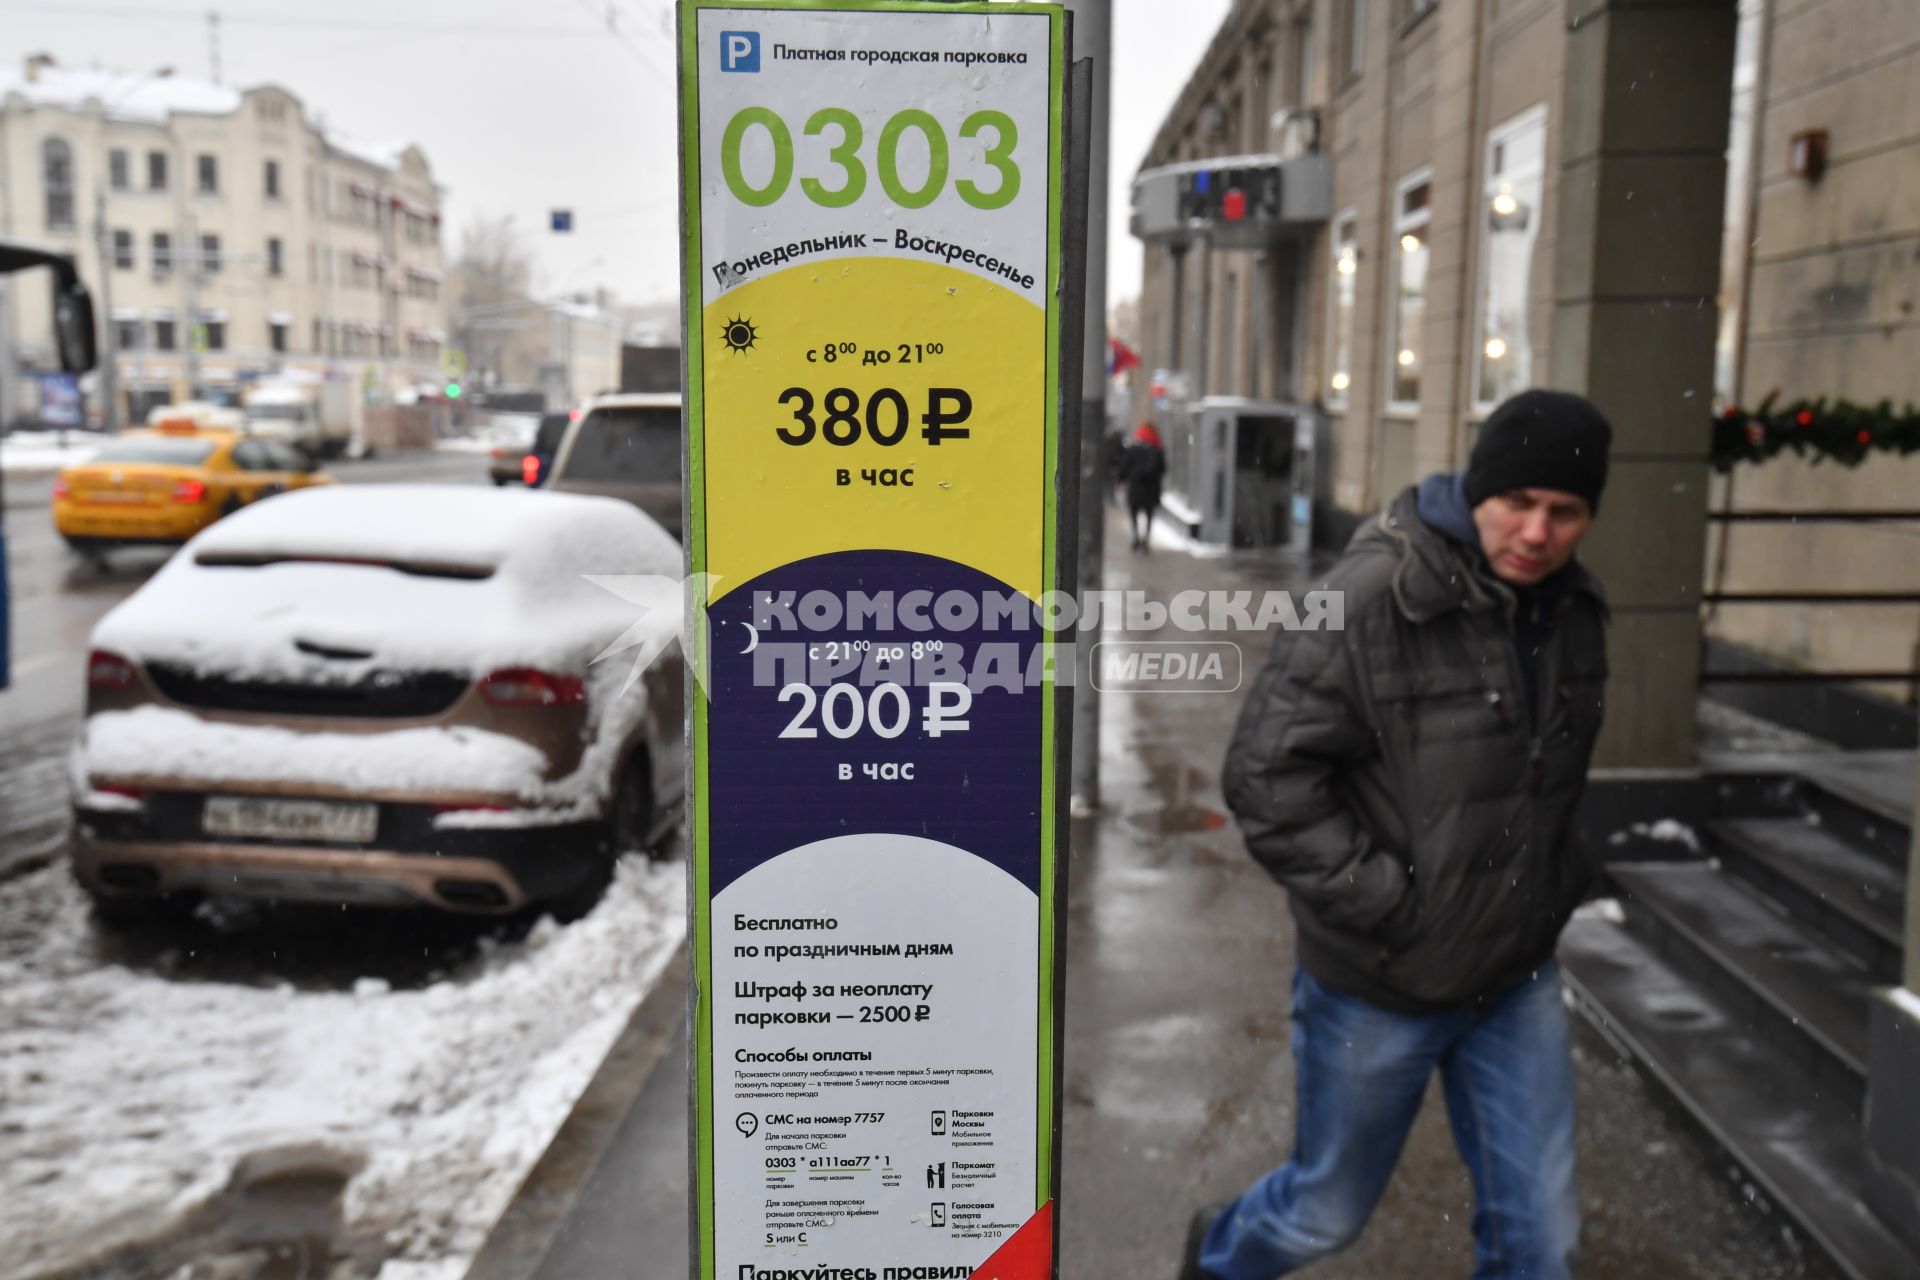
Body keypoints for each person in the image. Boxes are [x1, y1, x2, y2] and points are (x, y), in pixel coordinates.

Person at [1189, 389, 1614, 1280]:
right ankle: (1218, 1260)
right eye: (1519, 503)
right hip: (1378, 982)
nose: (1537, 532)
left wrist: (1558, 877)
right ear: (1477, 490)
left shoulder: (1574, 611)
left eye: (1564, 512)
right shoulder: (1367, 591)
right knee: (1323, 1213)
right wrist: (1392, 905)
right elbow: (1264, 775)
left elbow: (1552, 775)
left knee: (1543, 1241)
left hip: (1513, 974)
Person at [1119, 422, 1166, 552]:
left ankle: (1136, 537)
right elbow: (1163, 468)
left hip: (1135, 487)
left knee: (1134, 512)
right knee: (1149, 514)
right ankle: (1146, 538)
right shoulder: (1157, 449)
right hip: (1151, 488)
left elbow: (1124, 466)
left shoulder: (1133, 449)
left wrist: (1121, 479)